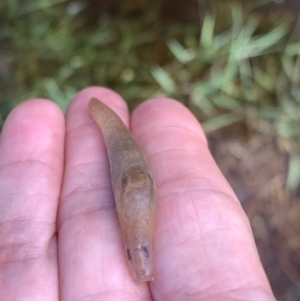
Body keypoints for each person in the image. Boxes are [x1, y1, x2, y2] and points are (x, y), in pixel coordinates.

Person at [0, 87, 276, 300]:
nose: (141, 269)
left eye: (138, 256)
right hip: (131, 184)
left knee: (136, 188)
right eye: (137, 256)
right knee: (134, 184)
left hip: (135, 189)